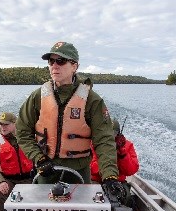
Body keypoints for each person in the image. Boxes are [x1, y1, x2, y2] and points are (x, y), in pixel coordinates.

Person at [15, 41, 125, 198]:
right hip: (45, 171)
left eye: (60, 61)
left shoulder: (92, 101)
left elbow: (104, 141)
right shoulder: (37, 97)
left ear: (75, 66)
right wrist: (38, 158)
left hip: (79, 174)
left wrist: (110, 176)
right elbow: (22, 131)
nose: (54, 65)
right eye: (51, 61)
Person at [90, 118, 140, 211]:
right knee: (95, 198)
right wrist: (107, 167)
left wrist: (122, 154)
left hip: (118, 182)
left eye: (112, 134)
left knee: (126, 198)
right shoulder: (93, 144)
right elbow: (91, 166)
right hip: (97, 180)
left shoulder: (127, 145)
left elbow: (131, 169)